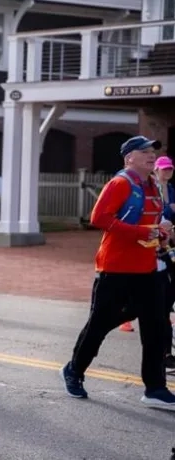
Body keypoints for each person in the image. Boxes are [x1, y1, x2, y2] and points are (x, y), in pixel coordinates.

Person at [61, 136, 175, 410]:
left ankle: (155, 388)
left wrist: (161, 234)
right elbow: (99, 218)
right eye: (143, 151)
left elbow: (151, 223)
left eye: (152, 152)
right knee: (99, 323)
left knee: (156, 328)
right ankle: (74, 370)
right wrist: (142, 232)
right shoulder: (121, 183)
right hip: (114, 268)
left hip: (148, 268)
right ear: (129, 159)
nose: (150, 156)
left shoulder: (154, 186)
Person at [155, 156, 175, 369]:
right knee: (160, 307)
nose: (167, 172)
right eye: (164, 169)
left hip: (169, 249)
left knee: (166, 304)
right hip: (158, 250)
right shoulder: (152, 189)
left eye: (170, 169)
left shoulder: (171, 188)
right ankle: (164, 354)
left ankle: (167, 354)